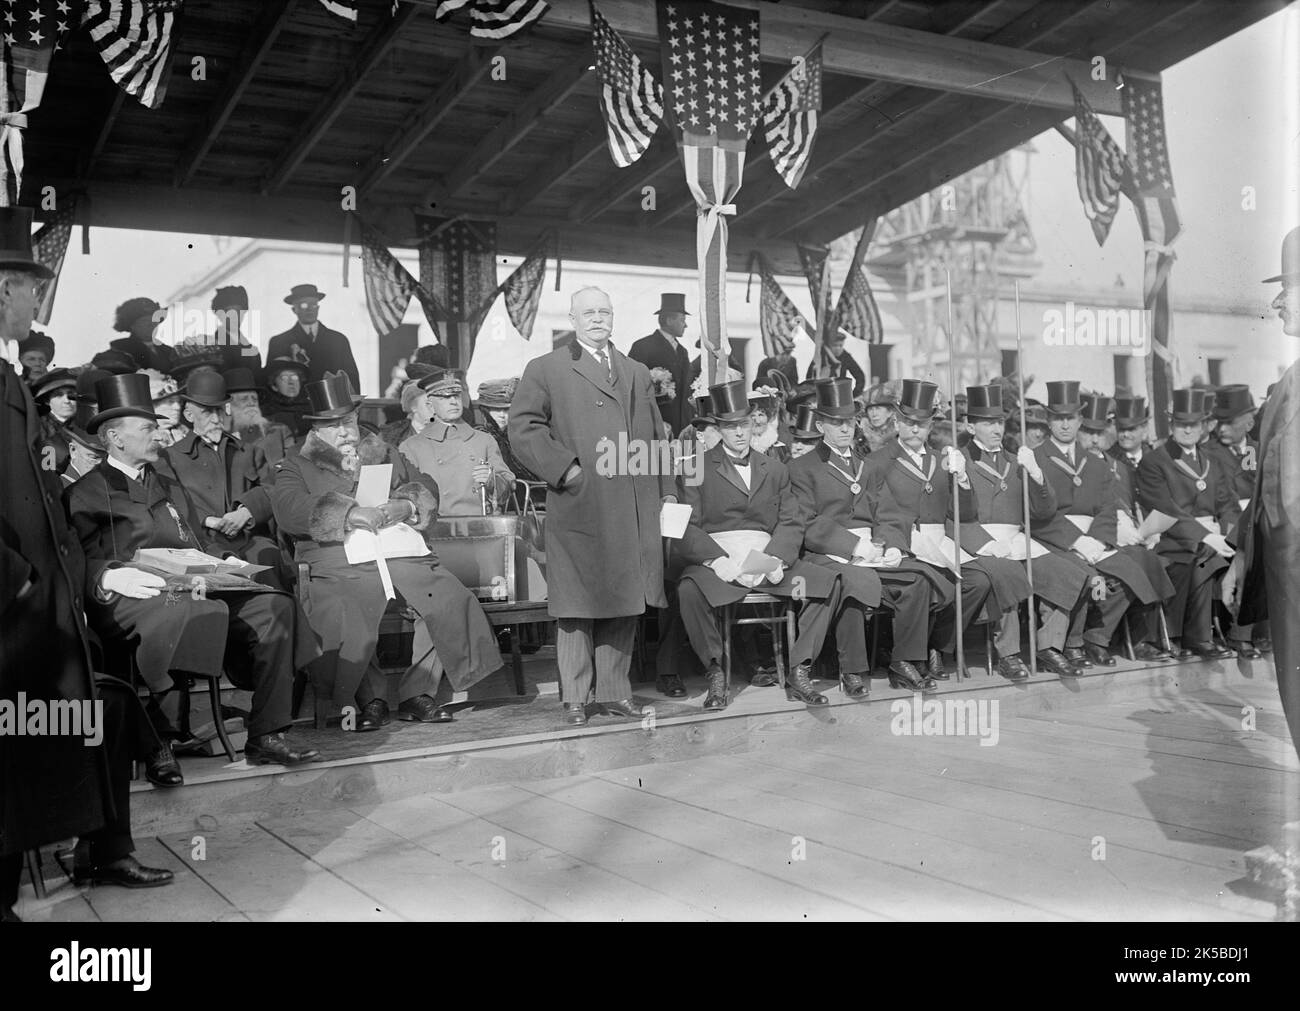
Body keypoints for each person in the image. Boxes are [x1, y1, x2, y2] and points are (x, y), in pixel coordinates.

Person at [2, 208, 151, 919]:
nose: (39, 301)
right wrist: (19, 581)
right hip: (14, 617)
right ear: (3, 289)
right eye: (32, 288)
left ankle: (102, 849)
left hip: (45, 618)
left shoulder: (5, 376)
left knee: (104, 708)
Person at [67, 373, 319, 765]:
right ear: (116, 438)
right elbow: (72, 561)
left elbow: (194, 538)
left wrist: (223, 563)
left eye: (157, 427)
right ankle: (160, 741)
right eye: (148, 429)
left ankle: (267, 732)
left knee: (275, 607)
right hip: (131, 596)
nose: (159, 436)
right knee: (193, 611)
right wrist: (106, 575)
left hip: (190, 586)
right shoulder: (85, 493)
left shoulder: (169, 483)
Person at [271, 373, 503, 729]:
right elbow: (288, 509)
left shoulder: (382, 451)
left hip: (395, 552)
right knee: (349, 607)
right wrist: (347, 514)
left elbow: (423, 483)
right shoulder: (297, 465)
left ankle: (417, 693)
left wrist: (406, 506)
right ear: (316, 431)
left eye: (347, 422)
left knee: (447, 598)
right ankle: (371, 699)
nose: (345, 432)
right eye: (333, 426)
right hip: (337, 558)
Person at [510, 286, 673, 727]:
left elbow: (657, 437)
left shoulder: (635, 371)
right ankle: (576, 698)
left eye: (605, 311)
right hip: (581, 503)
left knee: (625, 600)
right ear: (573, 318)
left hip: (632, 506)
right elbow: (523, 428)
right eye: (589, 313)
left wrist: (667, 492)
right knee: (577, 607)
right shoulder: (547, 368)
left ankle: (616, 693)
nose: (598, 319)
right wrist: (566, 471)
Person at [676, 380, 842, 709]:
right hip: (720, 559)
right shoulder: (695, 467)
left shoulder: (776, 469)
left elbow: (791, 520)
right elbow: (687, 526)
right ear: (719, 428)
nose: (739, 433)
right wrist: (715, 560)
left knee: (828, 582)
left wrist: (778, 558)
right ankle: (715, 671)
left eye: (744, 424)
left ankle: (800, 668)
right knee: (688, 590)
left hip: (766, 561)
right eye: (729, 426)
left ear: (754, 424)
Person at [790, 378, 935, 697]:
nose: (844, 429)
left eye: (849, 421)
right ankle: (853, 670)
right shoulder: (802, 467)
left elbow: (887, 512)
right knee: (853, 582)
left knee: (917, 580)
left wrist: (893, 545)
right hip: (826, 553)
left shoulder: (866, 466)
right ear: (820, 424)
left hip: (871, 550)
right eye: (836, 422)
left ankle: (903, 661)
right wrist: (854, 546)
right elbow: (807, 523)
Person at [865, 379, 1002, 685]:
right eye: (909, 422)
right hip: (903, 540)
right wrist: (894, 542)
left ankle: (937, 645)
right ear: (897, 422)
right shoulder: (878, 461)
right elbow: (876, 510)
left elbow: (964, 513)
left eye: (922, 424)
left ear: (930, 426)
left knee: (978, 582)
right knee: (934, 581)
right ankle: (910, 655)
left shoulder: (942, 458)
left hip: (940, 538)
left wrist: (962, 479)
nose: (916, 430)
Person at [1032, 382, 1172, 675]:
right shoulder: (1034, 458)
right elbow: (1037, 514)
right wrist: (1077, 541)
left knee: (1133, 570)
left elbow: (1108, 507)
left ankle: (1096, 638)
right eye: (1058, 418)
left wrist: (1097, 540)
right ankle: (1070, 644)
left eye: (1071, 418)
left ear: (1080, 420)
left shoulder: (1093, 463)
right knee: (1082, 576)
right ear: (1048, 421)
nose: (1065, 424)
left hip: (1093, 539)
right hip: (1054, 540)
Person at [1225, 226, 1300, 758]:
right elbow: (1264, 488)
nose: (1277, 301)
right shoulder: (1288, 385)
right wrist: (1240, 559)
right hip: (1283, 568)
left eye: (1289, 286)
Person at [957, 384, 1088, 680]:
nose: (996, 429)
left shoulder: (1017, 460)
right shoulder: (959, 459)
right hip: (977, 542)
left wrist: (1038, 476)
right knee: (1007, 574)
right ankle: (1009, 653)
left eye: (1000, 422)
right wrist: (985, 544)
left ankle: (1050, 647)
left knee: (1063, 571)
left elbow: (1043, 512)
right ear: (969, 425)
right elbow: (954, 517)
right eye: (987, 422)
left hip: (1015, 538)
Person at [155, 371, 287, 584]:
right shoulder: (169, 458)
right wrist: (209, 520)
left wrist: (247, 511)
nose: (216, 419)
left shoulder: (249, 451)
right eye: (207, 412)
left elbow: (274, 487)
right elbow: (168, 504)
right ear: (189, 415)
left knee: (270, 560)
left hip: (250, 540)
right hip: (203, 545)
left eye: (220, 410)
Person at [1138, 388, 1240, 660]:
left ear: (1203, 426)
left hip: (1209, 537)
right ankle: (1191, 636)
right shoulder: (1154, 461)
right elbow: (1165, 509)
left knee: (1247, 554)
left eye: (1193, 424)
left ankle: (1241, 636)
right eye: (1181, 424)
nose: (1186, 430)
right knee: (1199, 555)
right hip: (1168, 535)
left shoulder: (1212, 461)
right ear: (1171, 425)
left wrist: (1231, 536)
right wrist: (1207, 537)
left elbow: (1227, 505)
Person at [400, 369, 514, 516]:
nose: (453, 401)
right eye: (444, 398)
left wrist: (493, 481)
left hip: (481, 527)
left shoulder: (483, 440)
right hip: (436, 530)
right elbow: (404, 497)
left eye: (456, 395)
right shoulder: (412, 447)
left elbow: (509, 485)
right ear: (430, 404)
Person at [266, 284, 360, 392]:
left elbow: (352, 379)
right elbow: (272, 381)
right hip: (295, 406)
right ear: (294, 310)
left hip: (332, 405)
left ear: (318, 307)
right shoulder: (279, 342)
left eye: (313, 304)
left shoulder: (338, 340)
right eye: (303, 305)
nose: (309, 309)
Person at [629, 292, 694, 436]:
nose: (686, 325)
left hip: (681, 428)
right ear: (670, 320)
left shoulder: (683, 351)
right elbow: (632, 388)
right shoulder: (643, 347)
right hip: (655, 426)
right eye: (682, 320)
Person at [109, 297, 176, 373]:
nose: (151, 324)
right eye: (145, 321)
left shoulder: (169, 350)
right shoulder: (121, 351)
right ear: (132, 326)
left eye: (154, 319)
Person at [32, 367, 77, 474]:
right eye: (59, 395)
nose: (67, 401)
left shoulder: (86, 427)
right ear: (47, 401)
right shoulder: (36, 428)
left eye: (71, 395)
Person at [261, 356, 312, 439]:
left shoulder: (312, 410)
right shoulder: (266, 413)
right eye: (284, 378)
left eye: (295, 377)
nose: (291, 382)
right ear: (274, 386)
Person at [805, 331, 867, 396]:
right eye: (835, 345)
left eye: (841, 345)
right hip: (822, 394)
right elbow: (809, 378)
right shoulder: (821, 356)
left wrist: (853, 395)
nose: (838, 348)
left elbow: (860, 376)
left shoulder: (845, 357)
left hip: (839, 394)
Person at [143, 368, 187, 448]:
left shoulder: (185, 432)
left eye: (179, 401)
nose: (177, 407)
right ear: (152, 406)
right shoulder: (145, 440)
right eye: (170, 402)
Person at [857, 382, 897, 455]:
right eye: (870, 409)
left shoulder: (901, 437)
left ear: (890, 412)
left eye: (878, 408)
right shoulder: (862, 440)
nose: (874, 414)